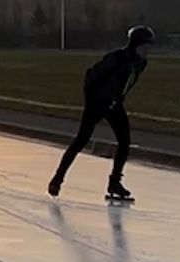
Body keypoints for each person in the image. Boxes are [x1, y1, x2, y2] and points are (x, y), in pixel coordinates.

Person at [48, 25, 153, 202]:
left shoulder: (140, 63)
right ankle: (57, 179)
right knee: (81, 140)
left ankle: (114, 183)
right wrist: (93, 100)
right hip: (97, 103)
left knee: (124, 141)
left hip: (113, 104)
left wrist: (117, 99)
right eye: (144, 47)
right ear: (135, 45)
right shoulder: (116, 58)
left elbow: (124, 85)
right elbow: (91, 76)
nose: (147, 51)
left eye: (148, 48)